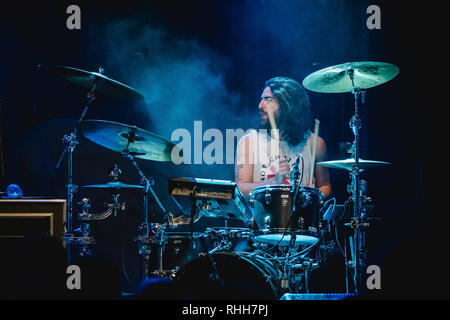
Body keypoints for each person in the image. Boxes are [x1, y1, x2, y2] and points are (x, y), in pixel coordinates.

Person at [235, 76, 331, 199]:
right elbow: (240, 189)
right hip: (261, 217)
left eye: (268, 100)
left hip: (301, 217)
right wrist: (271, 183)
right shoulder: (249, 141)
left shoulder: (315, 143)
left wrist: (311, 195)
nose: (260, 105)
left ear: (288, 104)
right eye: (261, 99)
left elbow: (325, 185)